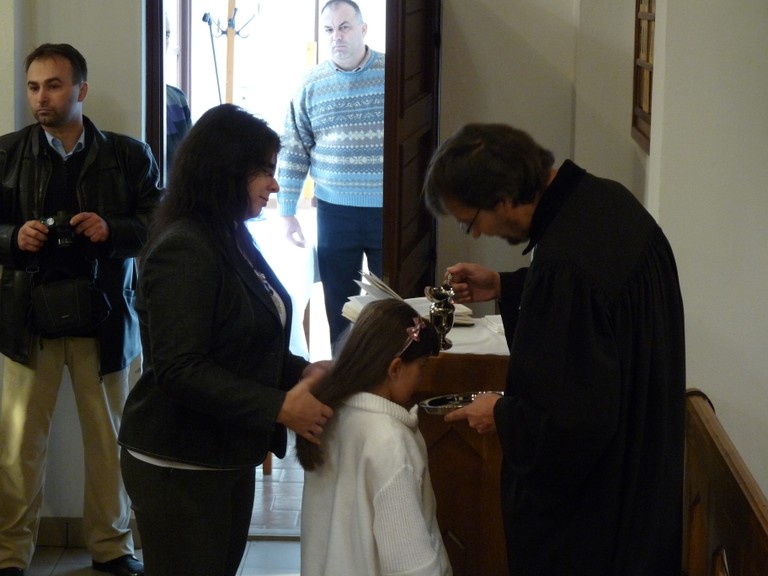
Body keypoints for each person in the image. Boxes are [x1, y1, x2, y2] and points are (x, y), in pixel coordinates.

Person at [422, 123, 686, 576]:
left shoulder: (565, 263)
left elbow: (571, 422)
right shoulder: (605, 201)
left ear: (503, 197)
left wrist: (500, 414)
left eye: (471, 220)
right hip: (644, 475)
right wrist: (506, 286)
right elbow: (600, 321)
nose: (477, 234)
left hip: (598, 518)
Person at [117, 103, 333, 576]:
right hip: (179, 461)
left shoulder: (230, 233)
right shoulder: (185, 246)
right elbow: (181, 369)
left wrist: (303, 371)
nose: (276, 185)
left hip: (225, 454)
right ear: (228, 169)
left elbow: (243, 339)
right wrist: (279, 406)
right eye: (266, 171)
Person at [0, 44, 162, 576]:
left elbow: (160, 225)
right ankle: (9, 555)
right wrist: (12, 238)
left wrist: (112, 229)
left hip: (106, 320)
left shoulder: (129, 156)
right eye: (33, 87)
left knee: (110, 440)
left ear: (81, 90)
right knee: (18, 446)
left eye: (53, 85)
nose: (40, 98)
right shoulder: (6, 154)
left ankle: (112, 547)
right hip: (27, 323)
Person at [296, 298, 452, 576]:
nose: (422, 379)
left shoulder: (330, 414)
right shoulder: (390, 441)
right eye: (422, 367)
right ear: (395, 368)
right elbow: (410, 563)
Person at [277, 0, 385, 348]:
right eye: (329, 29)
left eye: (344, 27)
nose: (336, 36)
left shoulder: (392, 74)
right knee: (339, 304)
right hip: (334, 210)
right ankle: (344, 368)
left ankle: (391, 370)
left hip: (388, 209)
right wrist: (287, 210)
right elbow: (294, 148)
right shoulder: (311, 84)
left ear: (363, 29)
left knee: (392, 304)